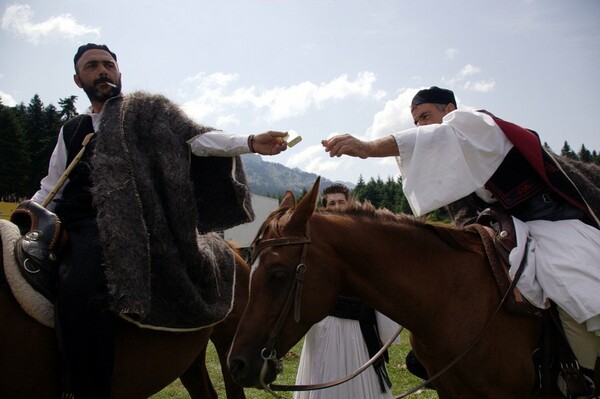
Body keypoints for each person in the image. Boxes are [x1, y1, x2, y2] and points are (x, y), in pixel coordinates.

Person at [30, 43, 289, 398]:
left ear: (120, 74)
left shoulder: (146, 111)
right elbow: (51, 184)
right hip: (67, 221)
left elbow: (196, 139)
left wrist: (249, 142)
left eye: (108, 64)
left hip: (124, 223)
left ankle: (84, 390)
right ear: (78, 79)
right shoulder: (70, 130)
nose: (102, 70)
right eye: (92, 66)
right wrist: (28, 213)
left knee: (80, 289)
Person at [322, 87, 600, 385]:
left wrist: (368, 148)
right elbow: (464, 217)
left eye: (426, 116)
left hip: (553, 223)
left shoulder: (476, 125)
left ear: (449, 109)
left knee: (573, 280)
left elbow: (440, 137)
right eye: (415, 122)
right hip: (508, 233)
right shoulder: (454, 165)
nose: (421, 126)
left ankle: (584, 370)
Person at [294, 183, 397, 399]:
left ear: (349, 203)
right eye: (332, 202)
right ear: (325, 207)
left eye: (341, 201)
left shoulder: (365, 238)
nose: (337, 206)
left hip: (358, 330)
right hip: (324, 326)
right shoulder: (315, 242)